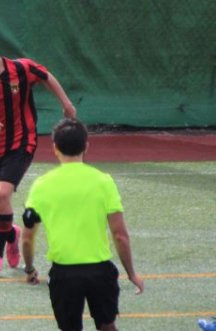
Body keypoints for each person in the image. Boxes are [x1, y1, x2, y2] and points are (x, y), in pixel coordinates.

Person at [0, 23, 77, 273]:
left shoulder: (21, 69)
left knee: (3, 195)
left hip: (22, 142)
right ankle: (12, 236)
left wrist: (66, 104)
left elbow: (46, 76)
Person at [21, 118, 144, 331]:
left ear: (55, 148)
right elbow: (120, 234)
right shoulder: (103, 181)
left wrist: (30, 269)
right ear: (86, 146)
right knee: (107, 326)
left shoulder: (41, 185)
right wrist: (131, 273)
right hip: (100, 272)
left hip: (63, 274)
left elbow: (27, 237)